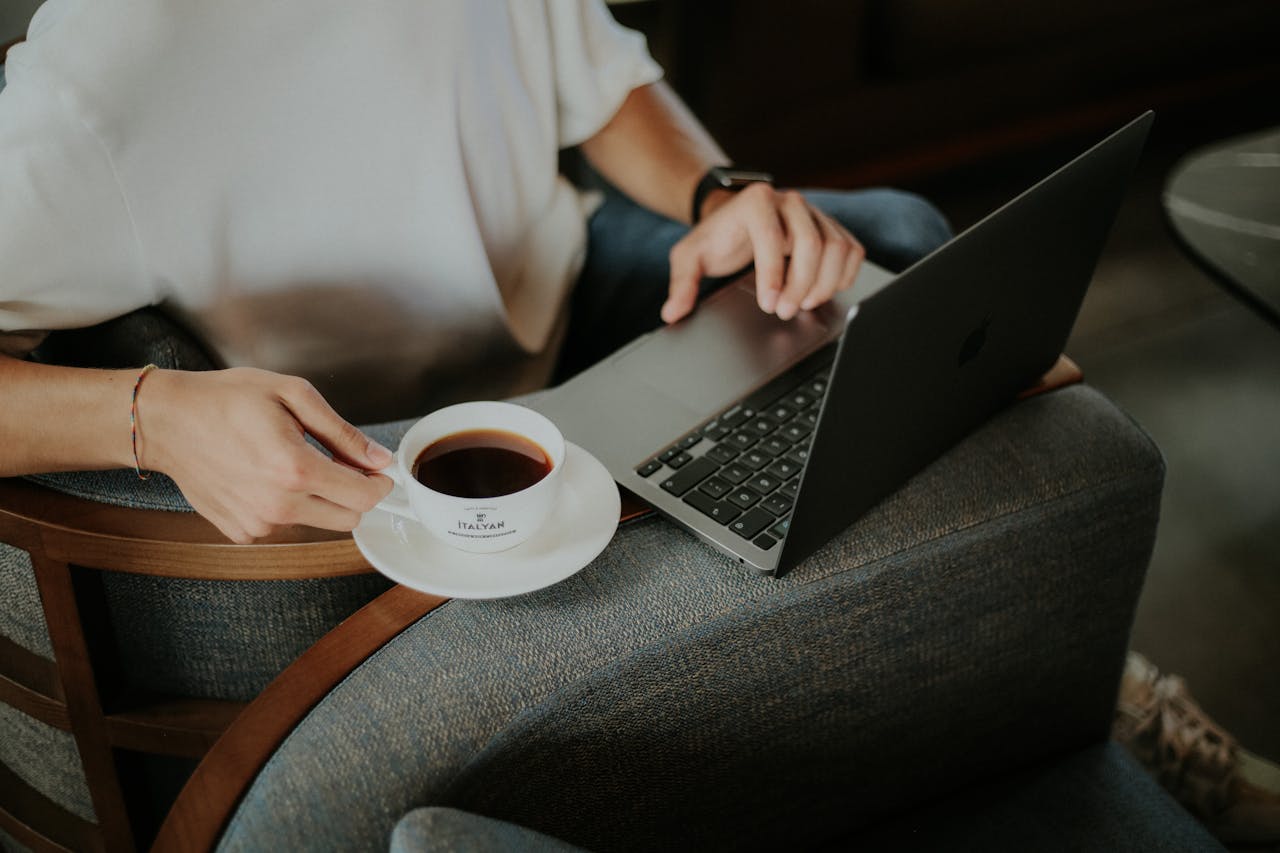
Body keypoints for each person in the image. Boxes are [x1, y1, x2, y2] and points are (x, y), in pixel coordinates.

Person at [0, 0, 949, 546]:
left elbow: (597, 72)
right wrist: (152, 418)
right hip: (370, 450)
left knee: (892, 245)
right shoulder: (106, 75)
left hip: (573, 298)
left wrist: (721, 194)